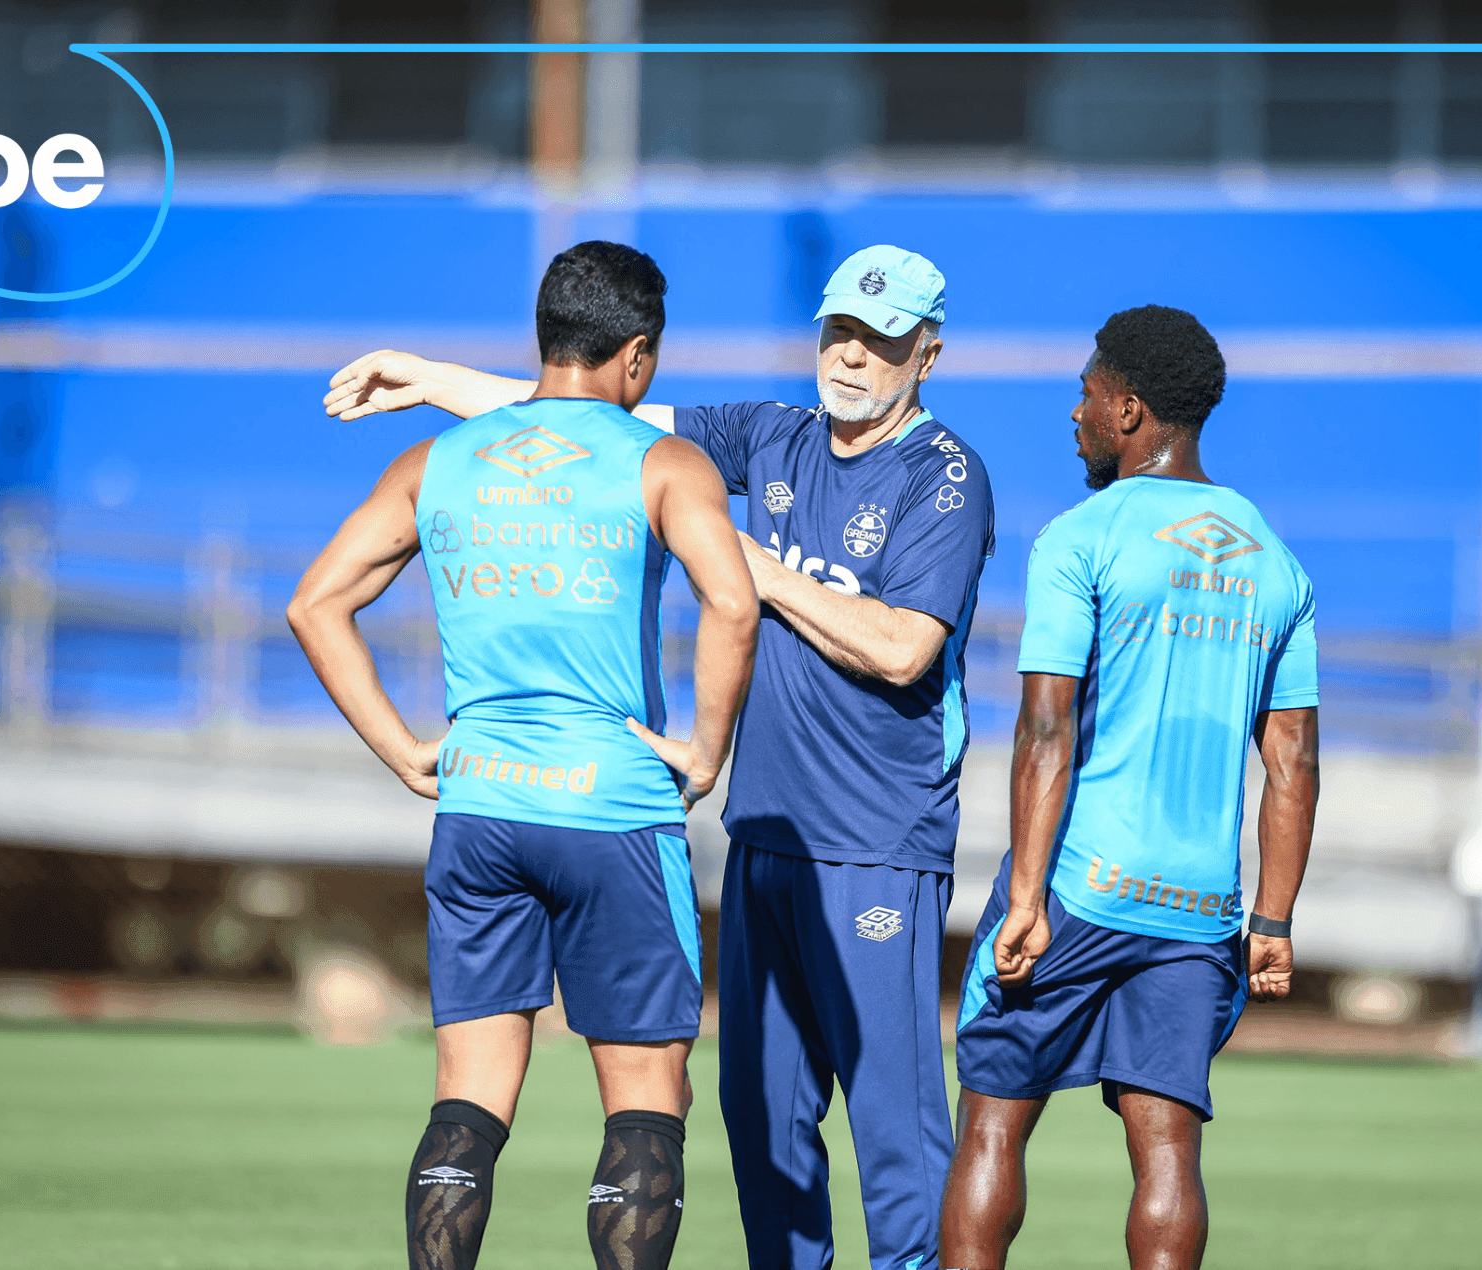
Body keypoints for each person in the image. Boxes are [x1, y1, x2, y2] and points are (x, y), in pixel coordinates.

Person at [324, 244, 994, 1270]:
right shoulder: (773, 434)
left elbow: (904, 649)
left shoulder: (944, 476)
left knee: (893, 1130)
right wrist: (432, 378)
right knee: (762, 1125)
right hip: (764, 827)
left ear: (928, 355)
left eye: (881, 340)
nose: (852, 357)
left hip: (876, 840)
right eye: (839, 332)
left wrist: (753, 569)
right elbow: (591, 413)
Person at [287, 241, 757, 1270]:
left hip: (481, 807)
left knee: (467, 1100)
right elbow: (732, 601)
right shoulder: (662, 461)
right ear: (639, 355)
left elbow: (315, 602)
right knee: (646, 1100)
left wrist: (403, 751)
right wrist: (704, 752)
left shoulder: (436, 462)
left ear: (544, 336)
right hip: (614, 811)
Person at [937, 305, 1320, 1270]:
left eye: (1088, 394)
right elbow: (1293, 761)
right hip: (1199, 909)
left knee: (992, 1125)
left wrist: (1027, 899)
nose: (1075, 414)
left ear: (1130, 410)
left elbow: (1045, 730)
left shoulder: (1084, 536)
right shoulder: (1275, 561)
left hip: (1078, 887)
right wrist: (1272, 921)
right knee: (1168, 1151)